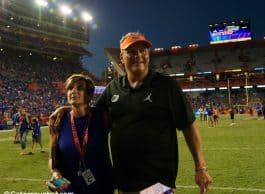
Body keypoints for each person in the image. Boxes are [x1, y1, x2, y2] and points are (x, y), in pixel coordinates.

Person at [51, 32, 212, 194]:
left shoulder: (167, 86)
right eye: (132, 52)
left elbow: (188, 126)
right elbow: (90, 114)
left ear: (148, 55)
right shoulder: (113, 88)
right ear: (122, 57)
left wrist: (201, 167)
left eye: (143, 51)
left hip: (156, 183)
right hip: (123, 183)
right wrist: (67, 108)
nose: (138, 55)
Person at [48, 74, 113, 194]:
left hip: (101, 188)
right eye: (70, 88)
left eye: (79, 88)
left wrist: (64, 108)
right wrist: (56, 174)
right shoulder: (58, 121)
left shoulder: (102, 116)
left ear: (88, 94)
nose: (73, 91)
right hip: (70, 190)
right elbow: (53, 158)